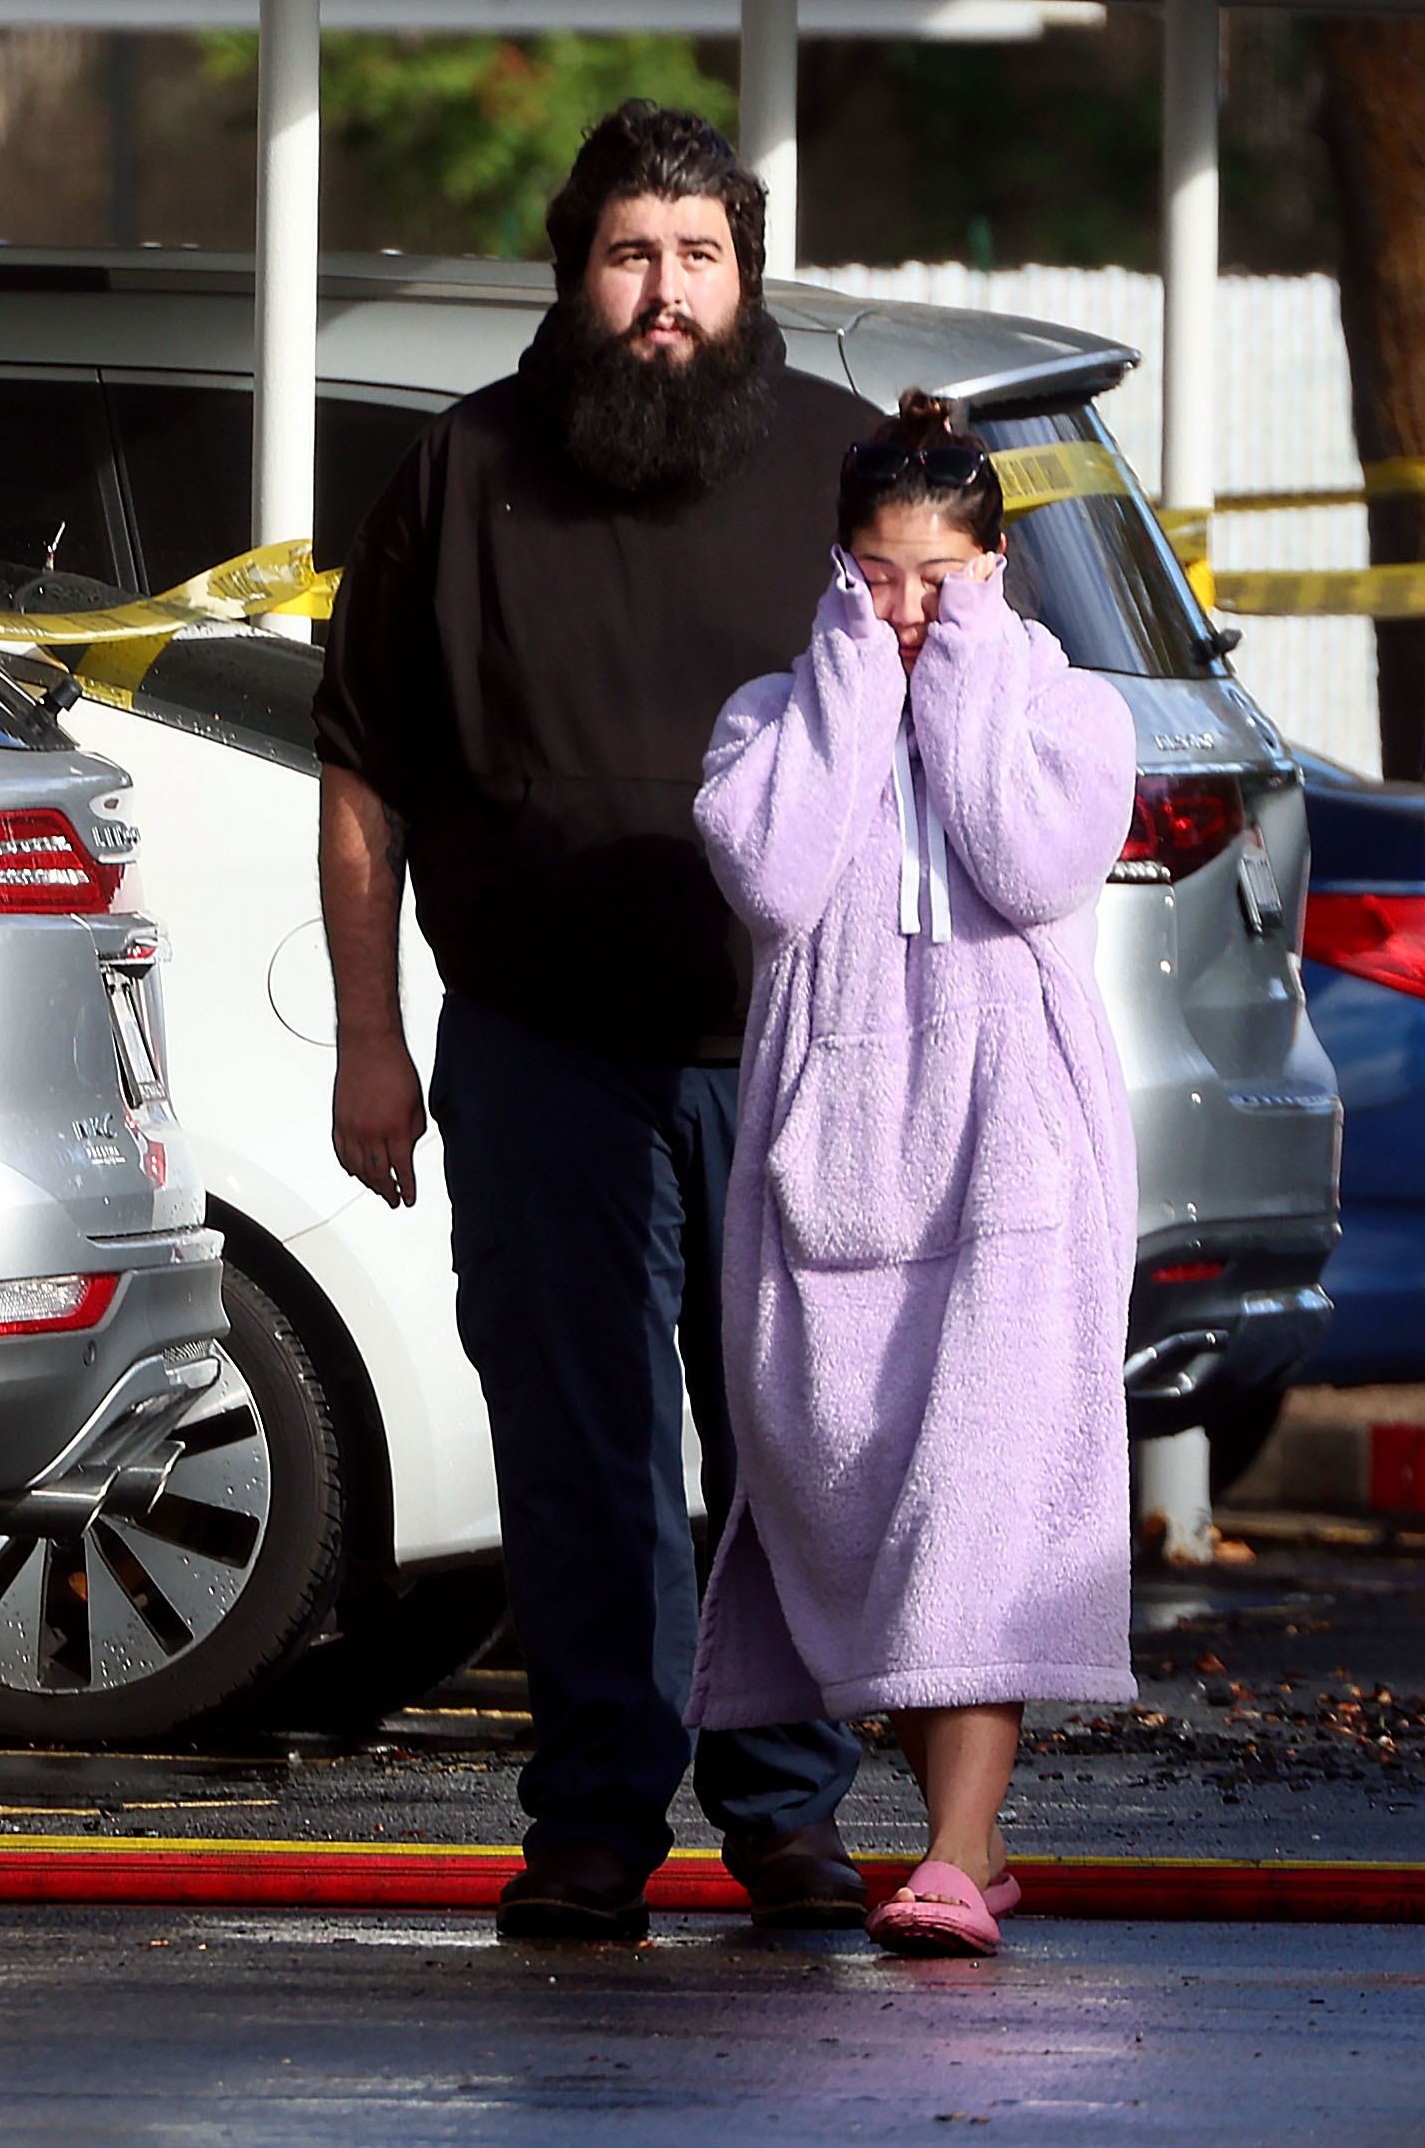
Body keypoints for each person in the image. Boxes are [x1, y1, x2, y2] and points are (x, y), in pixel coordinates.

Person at [314, 101, 873, 1942]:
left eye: (698, 255)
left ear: (745, 273)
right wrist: (371, 1041)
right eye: (632, 253)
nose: (664, 292)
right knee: (582, 1450)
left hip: (788, 1048)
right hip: (539, 1043)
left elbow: (946, 768)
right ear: (575, 273)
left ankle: (787, 1811)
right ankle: (594, 1822)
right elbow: (363, 783)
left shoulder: (843, 472)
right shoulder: (462, 472)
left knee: (780, 1436)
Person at [689, 394, 1139, 1957]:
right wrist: (848, 690)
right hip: (833, 1161)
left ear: (999, 569)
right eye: (877, 577)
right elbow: (773, 871)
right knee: (865, 1494)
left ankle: (949, 1852)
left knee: (988, 1498)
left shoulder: (1072, 713)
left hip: (1015, 1150)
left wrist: (958, 680)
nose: (906, 612)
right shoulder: (770, 716)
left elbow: (1025, 862)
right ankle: (978, 1837)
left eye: (940, 580)